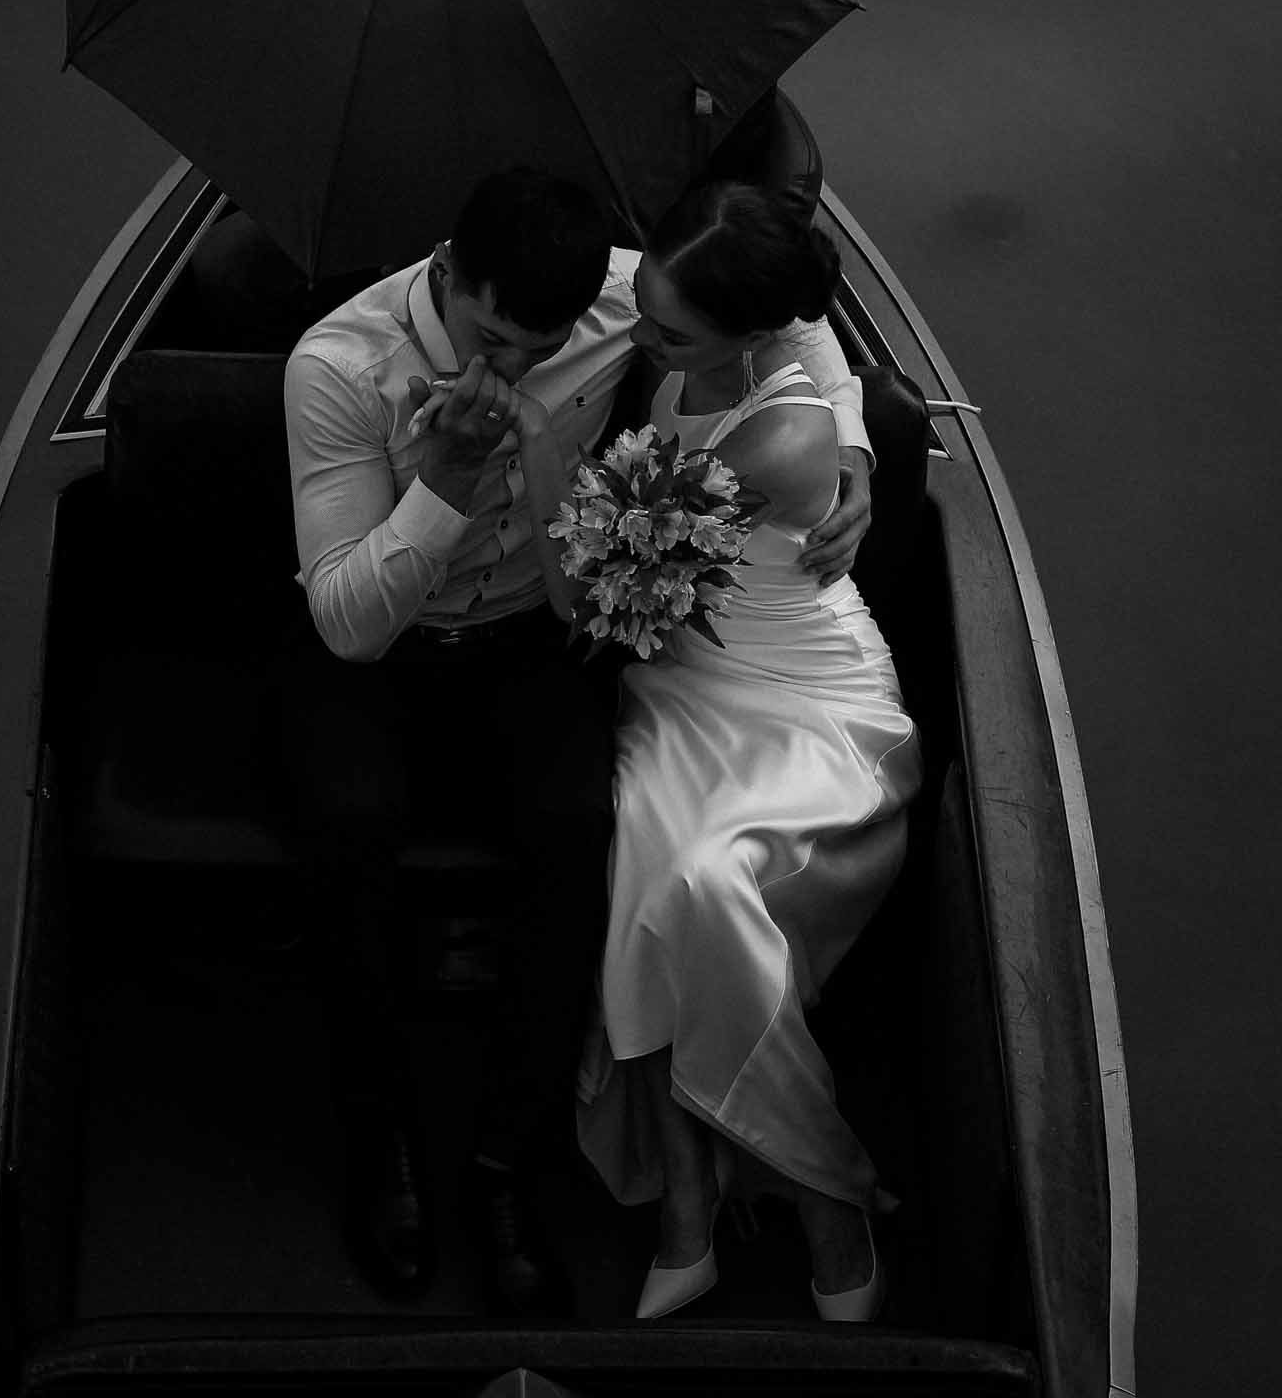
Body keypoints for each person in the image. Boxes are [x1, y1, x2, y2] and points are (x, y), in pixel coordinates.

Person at [283, 165, 874, 1319]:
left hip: (529, 636)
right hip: (380, 654)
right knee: (345, 829)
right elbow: (348, 624)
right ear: (446, 276)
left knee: (580, 833)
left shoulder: (619, 297)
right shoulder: (338, 367)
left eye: (539, 349)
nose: (510, 369)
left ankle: (504, 1158)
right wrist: (443, 484)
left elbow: (789, 318)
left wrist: (850, 447)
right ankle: (380, 1135)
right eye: (493, 340)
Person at [515, 178, 921, 1323]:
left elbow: (587, 596)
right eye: (643, 307)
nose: (640, 338)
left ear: (750, 333)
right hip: (680, 686)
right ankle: (690, 1207)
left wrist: (539, 457)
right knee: (650, 874)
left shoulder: (781, 443)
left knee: (703, 885)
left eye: (669, 334)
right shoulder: (684, 314)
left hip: (801, 698)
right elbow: (798, 336)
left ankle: (824, 1194)